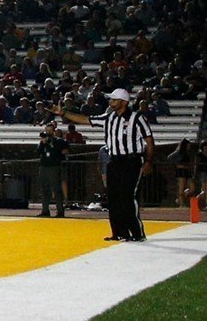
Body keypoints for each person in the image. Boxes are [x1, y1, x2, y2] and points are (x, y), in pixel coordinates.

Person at [60, 88, 152, 242]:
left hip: (132, 160)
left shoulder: (137, 118)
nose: (110, 102)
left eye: (114, 100)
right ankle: (119, 232)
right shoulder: (109, 118)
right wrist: (63, 113)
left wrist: (149, 160)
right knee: (113, 198)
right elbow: (85, 120)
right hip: (114, 160)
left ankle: (137, 232)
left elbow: (149, 139)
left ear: (123, 102)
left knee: (128, 197)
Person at [35, 121, 69, 217]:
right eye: (47, 130)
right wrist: (43, 143)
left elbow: (64, 151)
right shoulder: (42, 142)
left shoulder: (59, 141)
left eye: (50, 131)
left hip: (54, 167)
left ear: (53, 131)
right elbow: (37, 152)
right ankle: (45, 210)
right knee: (44, 189)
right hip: (44, 167)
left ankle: (60, 211)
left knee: (57, 189)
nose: (48, 133)